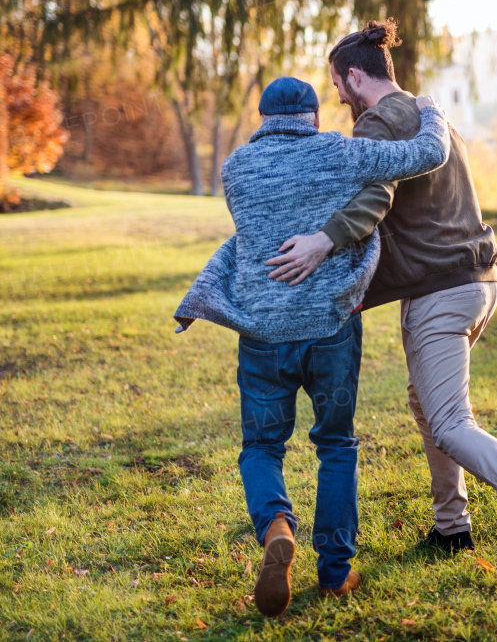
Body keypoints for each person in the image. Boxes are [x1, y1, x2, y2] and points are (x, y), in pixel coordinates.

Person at [266, 20, 497, 599]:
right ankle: (452, 527)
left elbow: (375, 194)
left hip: (442, 292)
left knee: (448, 422)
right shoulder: (428, 114)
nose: (337, 97)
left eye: (339, 84)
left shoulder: (379, 121)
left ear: (356, 75)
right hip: (480, 279)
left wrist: (322, 241)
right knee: (428, 403)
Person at [172, 75, 451, 618]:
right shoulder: (340, 153)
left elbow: (255, 231)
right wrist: (430, 108)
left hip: (261, 333)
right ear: (314, 118)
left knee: (261, 447)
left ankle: (277, 523)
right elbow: (429, 153)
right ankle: (335, 571)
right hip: (329, 326)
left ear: (262, 118)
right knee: (336, 445)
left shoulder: (235, 168)